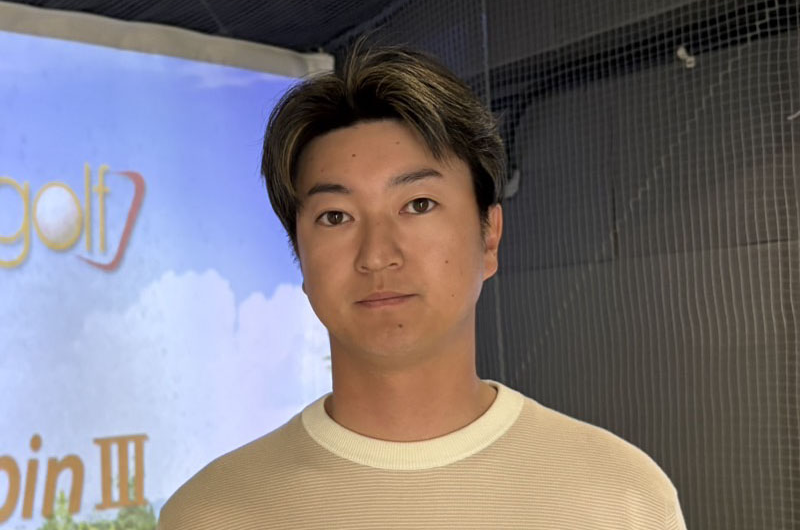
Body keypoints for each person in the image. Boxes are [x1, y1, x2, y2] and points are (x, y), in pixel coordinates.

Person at [157, 41, 687, 529]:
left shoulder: (620, 496)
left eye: (418, 204)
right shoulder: (210, 513)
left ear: (489, 235)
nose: (377, 255)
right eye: (335, 216)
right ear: (300, 254)